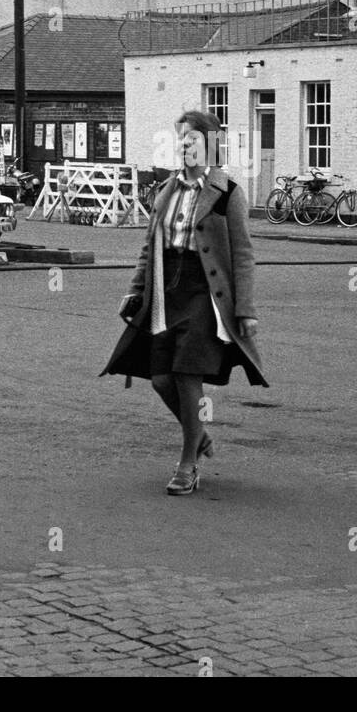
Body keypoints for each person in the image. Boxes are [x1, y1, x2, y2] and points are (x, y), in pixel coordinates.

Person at [102, 110, 268, 495]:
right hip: (166, 290)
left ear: (209, 144)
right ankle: (200, 435)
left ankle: (187, 463)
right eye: (181, 138)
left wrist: (245, 310)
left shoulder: (227, 194)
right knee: (161, 379)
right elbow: (149, 247)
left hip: (204, 293)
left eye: (192, 138)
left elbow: (243, 254)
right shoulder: (167, 191)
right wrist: (135, 289)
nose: (184, 144)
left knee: (187, 375)